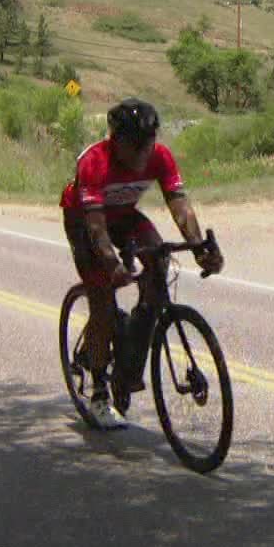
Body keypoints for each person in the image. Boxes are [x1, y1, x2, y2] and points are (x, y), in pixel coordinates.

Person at [60, 97, 223, 428]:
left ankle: (131, 351)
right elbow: (95, 228)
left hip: (123, 215)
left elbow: (179, 205)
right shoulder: (95, 162)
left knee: (158, 260)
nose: (142, 153)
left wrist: (199, 248)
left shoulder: (159, 157)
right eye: (134, 145)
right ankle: (99, 391)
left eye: (148, 144)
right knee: (102, 300)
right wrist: (112, 265)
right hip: (84, 221)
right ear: (114, 140)